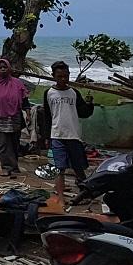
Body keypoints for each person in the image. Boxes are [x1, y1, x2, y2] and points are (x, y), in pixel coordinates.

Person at [38, 60, 96, 201]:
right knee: (59, 168)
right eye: (60, 77)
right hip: (57, 134)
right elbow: (47, 116)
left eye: (66, 76)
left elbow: (83, 113)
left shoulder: (74, 93)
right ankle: (61, 197)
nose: (63, 79)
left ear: (69, 75)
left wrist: (90, 105)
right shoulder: (49, 94)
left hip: (73, 135)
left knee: (78, 167)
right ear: (54, 76)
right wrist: (46, 136)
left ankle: (85, 194)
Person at [0, 58, 29, 178]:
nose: (3, 69)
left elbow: (24, 99)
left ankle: (14, 167)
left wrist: (28, 113)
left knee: (14, 143)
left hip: (14, 117)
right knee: (3, 144)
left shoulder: (17, 83)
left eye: (5, 67)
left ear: (9, 68)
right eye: (1, 67)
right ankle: (6, 167)